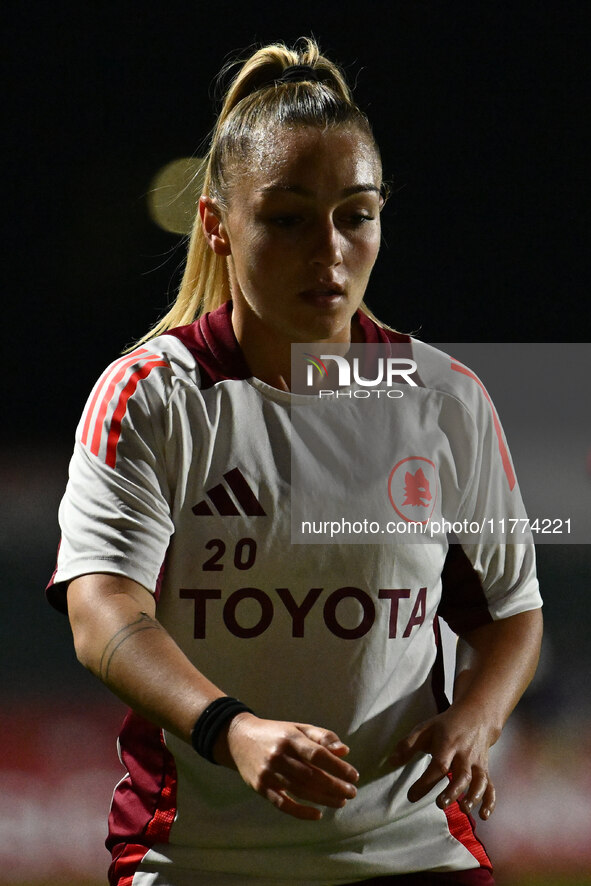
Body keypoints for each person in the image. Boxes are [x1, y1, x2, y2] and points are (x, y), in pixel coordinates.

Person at [47, 38, 543, 886]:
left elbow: (509, 612)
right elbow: (102, 613)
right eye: (286, 218)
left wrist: (476, 720)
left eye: (356, 213)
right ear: (217, 224)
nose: (330, 249)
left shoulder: (443, 398)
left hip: (410, 853)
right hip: (197, 856)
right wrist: (230, 729)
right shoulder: (152, 396)